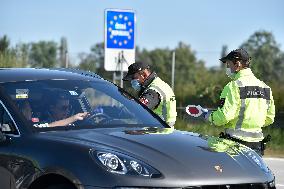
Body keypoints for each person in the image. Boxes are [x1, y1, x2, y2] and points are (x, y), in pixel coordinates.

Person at [199, 49, 275, 156]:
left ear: (237, 64)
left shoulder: (233, 86)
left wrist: (207, 115)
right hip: (257, 146)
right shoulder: (265, 87)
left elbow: (223, 117)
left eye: (228, 64)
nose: (227, 68)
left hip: (234, 145)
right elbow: (269, 118)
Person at [123, 61, 177, 127]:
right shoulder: (159, 84)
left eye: (134, 78)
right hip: (164, 131)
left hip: (157, 132)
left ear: (144, 75)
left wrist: (115, 111)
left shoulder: (153, 92)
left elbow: (137, 110)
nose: (132, 82)